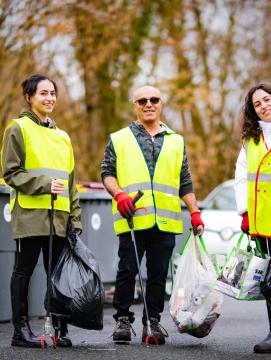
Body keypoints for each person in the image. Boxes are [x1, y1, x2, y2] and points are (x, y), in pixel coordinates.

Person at [101, 85, 204, 344]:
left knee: (158, 274)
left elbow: (185, 180)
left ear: (161, 104)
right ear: (134, 105)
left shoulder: (176, 140)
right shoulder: (119, 138)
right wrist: (119, 195)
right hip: (133, 216)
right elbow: (107, 172)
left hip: (166, 220)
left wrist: (195, 212)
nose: (149, 104)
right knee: (128, 270)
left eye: (154, 99)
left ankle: (153, 323)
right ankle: (122, 322)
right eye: (142, 100)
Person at [1, 74, 82, 348]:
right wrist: (45, 184)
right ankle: (20, 331)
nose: (49, 98)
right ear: (29, 97)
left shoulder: (63, 137)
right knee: (23, 271)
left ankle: (60, 327)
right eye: (42, 93)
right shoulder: (17, 128)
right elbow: (11, 173)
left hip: (59, 218)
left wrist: (75, 217)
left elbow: (71, 182)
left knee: (57, 275)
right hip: (29, 215)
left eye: (52, 93)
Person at [235, 83, 271, 353]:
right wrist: (245, 212)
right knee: (270, 283)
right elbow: (240, 178)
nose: (264, 106)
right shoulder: (251, 141)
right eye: (257, 104)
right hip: (264, 222)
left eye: (267, 100)